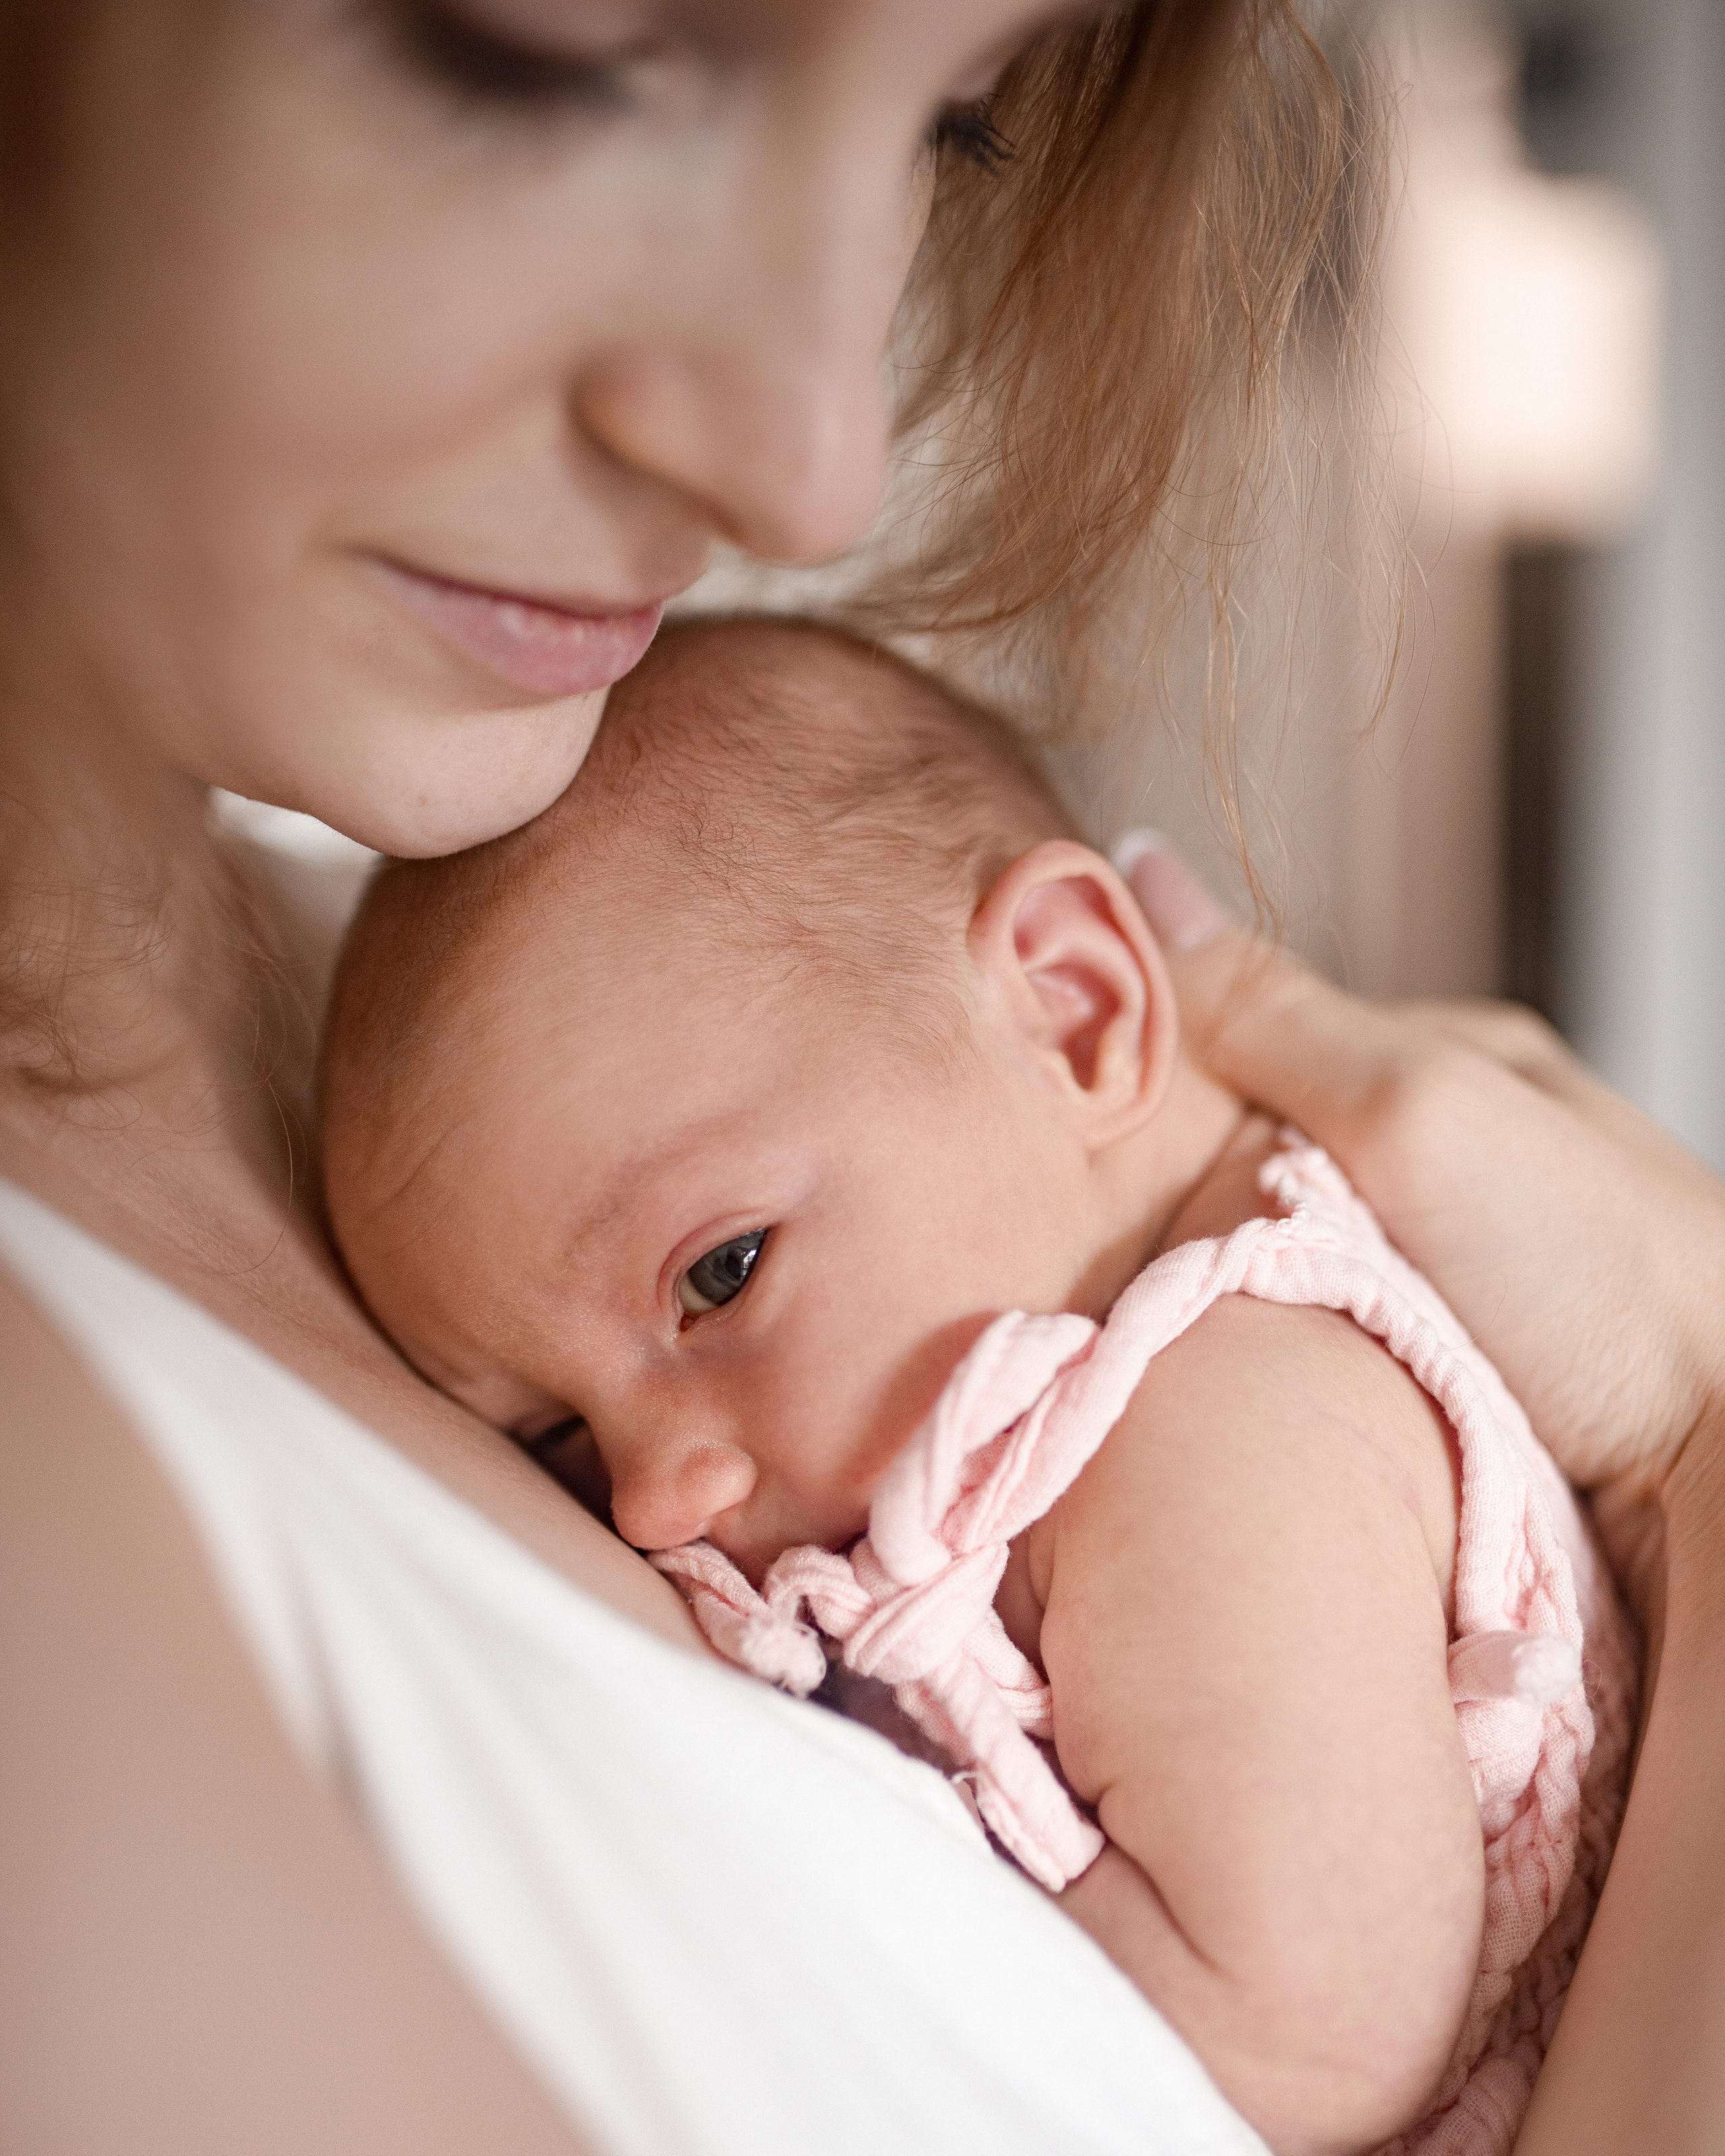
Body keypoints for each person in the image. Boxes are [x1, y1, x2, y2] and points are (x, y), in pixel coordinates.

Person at [0, 3, 1720, 2152]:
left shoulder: (1186, 1422)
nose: (811, 462)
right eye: (549, 49)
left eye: (953, 121)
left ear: (1087, 1009)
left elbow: (1326, 2021)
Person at [318, 615, 1636, 2156]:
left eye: (721, 1273)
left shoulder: (1222, 1421)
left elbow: (1303, 2032)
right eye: (556, 1436)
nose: (652, 1496)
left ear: (1072, 1013)